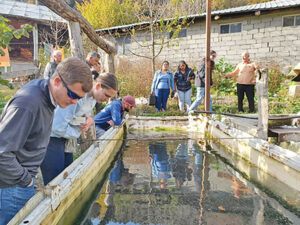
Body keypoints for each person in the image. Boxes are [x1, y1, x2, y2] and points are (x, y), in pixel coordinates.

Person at [0, 57, 93, 225]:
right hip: (11, 186)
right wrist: (25, 180)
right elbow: (2, 153)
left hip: (21, 180)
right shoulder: (28, 104)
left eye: (78, 98)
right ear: (57, 81)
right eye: (72, 95)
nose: (74, 101)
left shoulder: (47, 94)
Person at [40, 73, 118, 185]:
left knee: (66, 177)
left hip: (66, 138)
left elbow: (83, 113)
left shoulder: (93, 98)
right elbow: (57, 126)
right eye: (106, 95)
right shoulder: (77, 95)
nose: (106, 99)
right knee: (54, 181)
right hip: (51, 138)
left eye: (109, 97)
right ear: (98, 86)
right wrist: (77, 132)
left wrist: (89, 120)